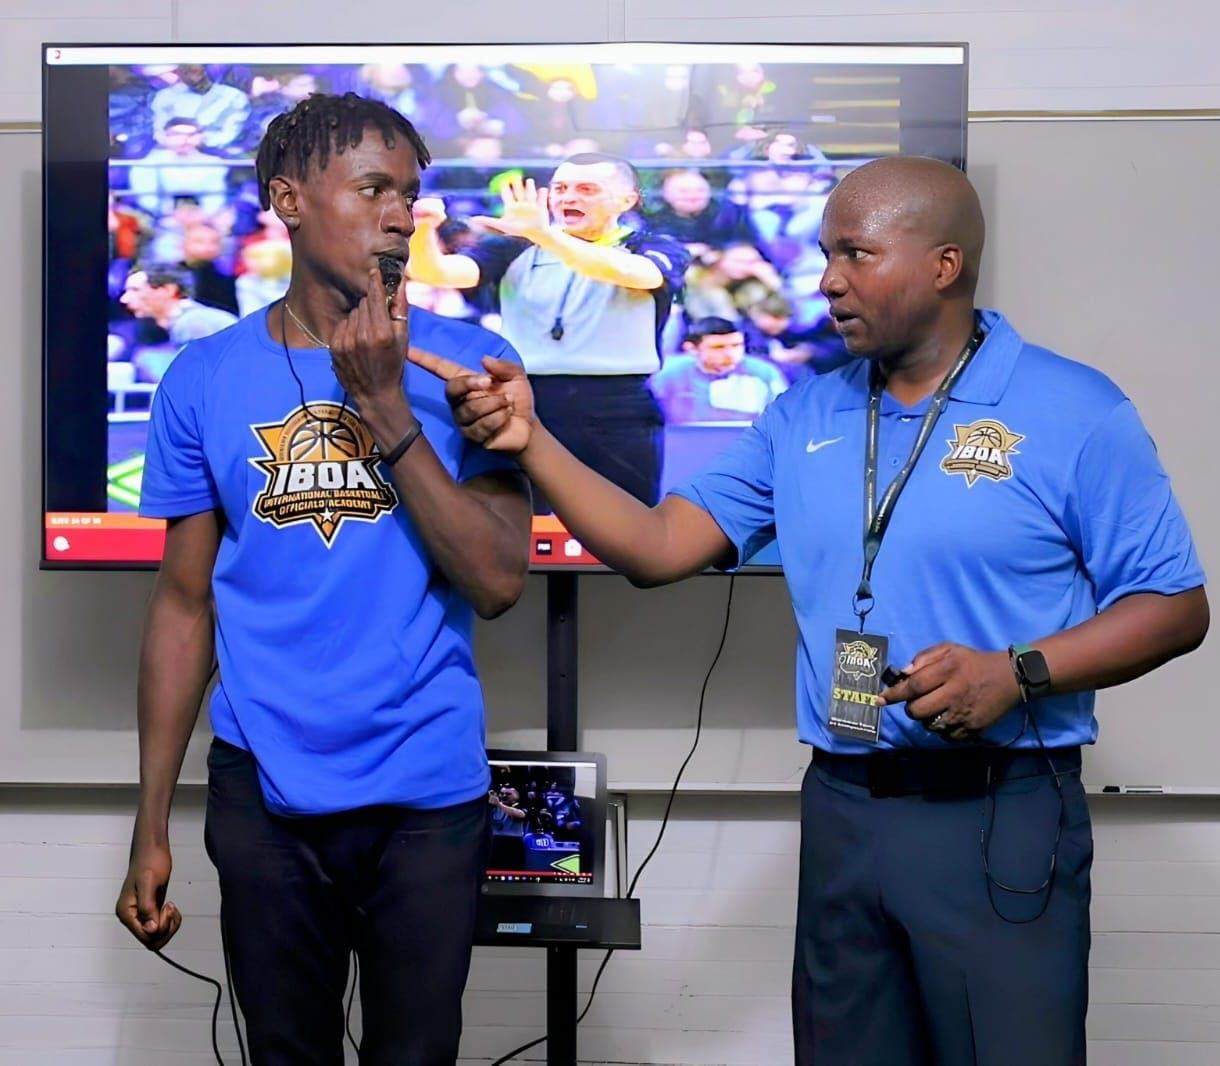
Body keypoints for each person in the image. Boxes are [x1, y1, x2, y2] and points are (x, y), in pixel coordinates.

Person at [413, 155, 1209, 1065]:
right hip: (842, 804)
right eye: (827, 253)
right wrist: (532, 441)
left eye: (857, 254)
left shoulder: (1073, 410)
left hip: (999, 809)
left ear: (943, 266)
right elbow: (657, 547)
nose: (828, 279)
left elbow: (1176, 606)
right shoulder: (803, 415)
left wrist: (1019, 670)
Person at [113, 93, 532, 1066]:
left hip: (428, 795)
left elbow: (496, 577)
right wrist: (149, 826)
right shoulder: (206, 377)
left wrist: (387, 405)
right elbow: (182, 607)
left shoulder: (473, 364)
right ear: (288, 200)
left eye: (413, 197)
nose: (401, 216)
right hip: (262, 791)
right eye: (375, 189)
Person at [407, 153, 689, 510]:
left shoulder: (650, 245)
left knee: (624, 519)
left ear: (627, 200)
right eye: (560, 188)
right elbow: (439, 274)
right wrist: (422, 230)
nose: (568, 198)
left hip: (618, 403)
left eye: (586, 189)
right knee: (525, 516)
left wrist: (545, 236)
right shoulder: (516, 245)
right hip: (528, 396)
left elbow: (639, 275)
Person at [651, 316, 787, 423]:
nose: (730, 354)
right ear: (692, 349)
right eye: (718, 347)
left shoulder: (763, 373)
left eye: (736, 345)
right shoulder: (669, 374)